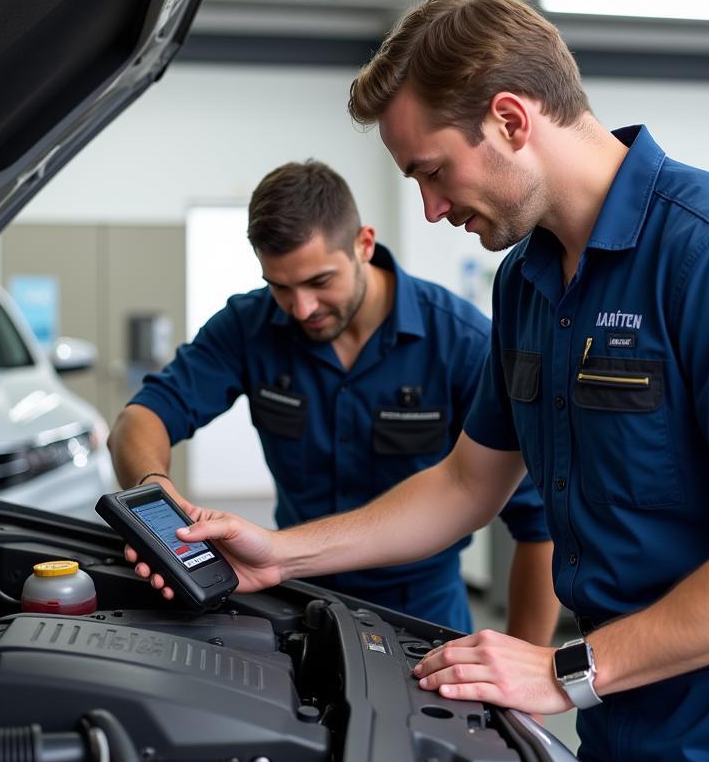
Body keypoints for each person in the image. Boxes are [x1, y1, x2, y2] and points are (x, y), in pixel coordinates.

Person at [127, 0, 709, 762]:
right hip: (628, 709)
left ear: (510, 119)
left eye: (433, 172)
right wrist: (278, 554)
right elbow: (464, 483)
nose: (430, 204)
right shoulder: (529, 284)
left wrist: (564, 668)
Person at [108, 158, 557, 638]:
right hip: (293, 601)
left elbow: (539, 528)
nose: (302, 308)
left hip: (421, 616)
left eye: (319, 282)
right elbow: (142, 417)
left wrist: (518, 684)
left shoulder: (461, 343)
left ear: (363, 244)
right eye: (280, 286)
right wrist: (158, 493)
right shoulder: (248, 325)